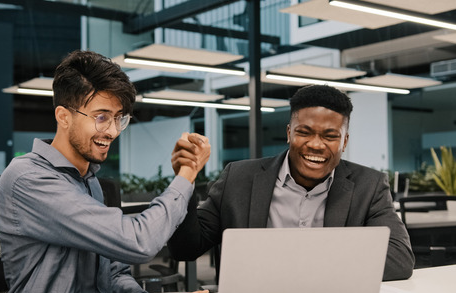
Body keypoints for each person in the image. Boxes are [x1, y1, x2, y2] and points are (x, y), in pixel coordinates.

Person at [0, 50, 210, 293]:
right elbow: (138, 242)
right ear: (63, 116)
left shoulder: (88, 181)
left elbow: (114, 272)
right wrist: (187, 175)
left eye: (118, 118)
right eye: (101, 117)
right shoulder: (28, 178)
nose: (111, 131)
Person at [168, 84, 415, 281]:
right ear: (289, 133)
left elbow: (399, 259)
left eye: (330, 136)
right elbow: (185, 249)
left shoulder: (368, 185)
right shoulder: (238, 178)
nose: (316, 145)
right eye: (304, 132)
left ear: (344, 142)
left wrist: (302, 262)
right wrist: (184, 180)